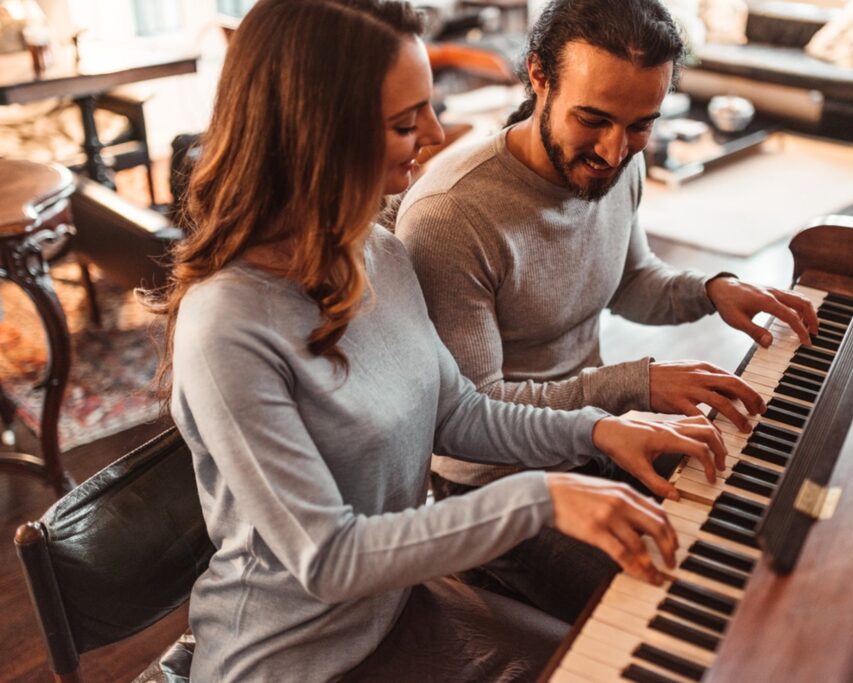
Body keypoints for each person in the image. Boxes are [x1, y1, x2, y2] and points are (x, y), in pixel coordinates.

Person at [149, 1, 731, 680]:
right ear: (317, 134)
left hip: (397, 607)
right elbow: (329, 556)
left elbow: (458, 413)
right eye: (405, 121)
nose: (433, 133)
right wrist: (540, 497)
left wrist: (600, 430)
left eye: (428, 108)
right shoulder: (227, 326)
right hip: (289, 658)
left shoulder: (379, 253)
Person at [395, 0, 820, 623]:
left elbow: (631, 280)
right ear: (538, 75)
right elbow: (472, 414)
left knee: (754, 518)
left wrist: (712, 289)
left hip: (598, 436)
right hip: (498, 485)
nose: (615, 151)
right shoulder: (453, 215)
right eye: (592, 119)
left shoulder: (619, 160)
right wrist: (631, 386)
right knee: (680, 605)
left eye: (641, 124)